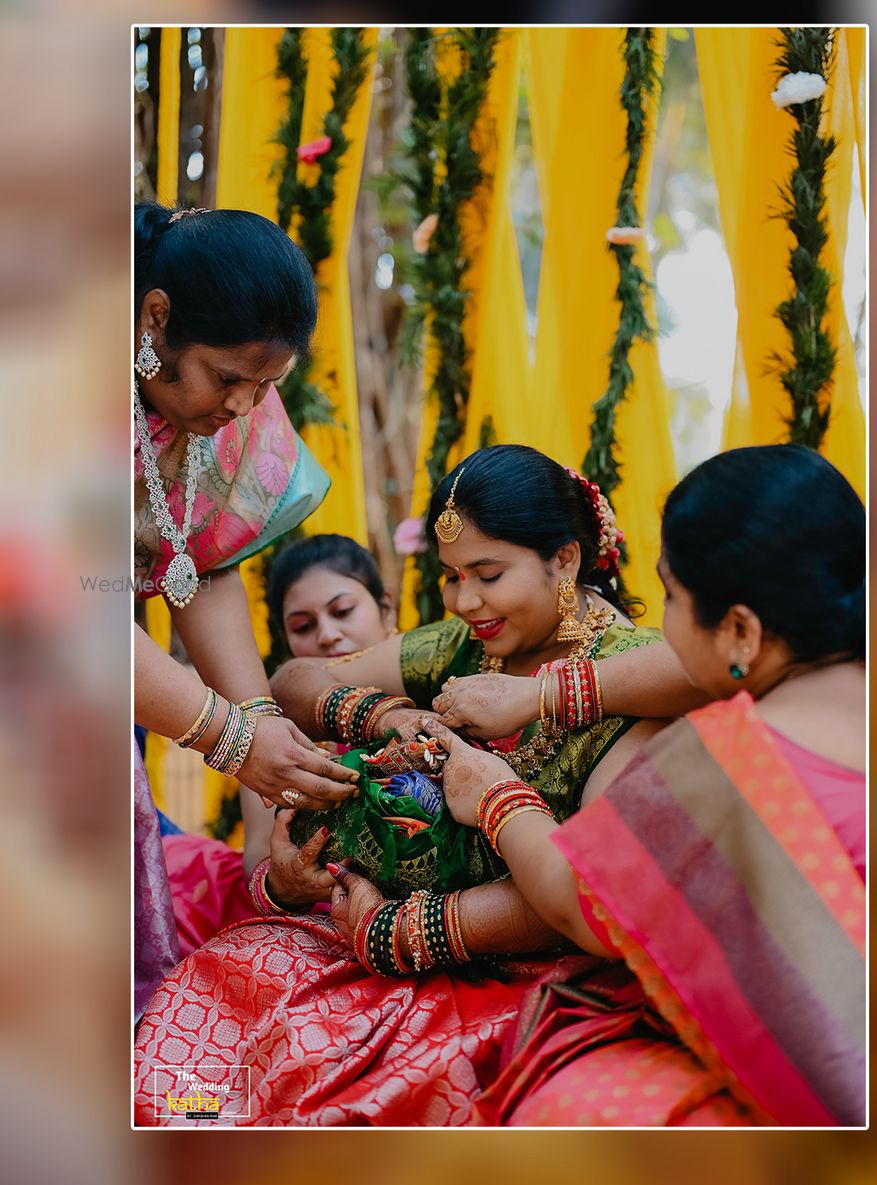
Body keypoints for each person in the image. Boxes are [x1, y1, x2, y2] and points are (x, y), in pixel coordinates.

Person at [134, 445, 700, 1126]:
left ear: (566, 560)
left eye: (487, 574)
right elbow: (294, 681)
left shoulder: (634, 676)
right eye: (450, 577)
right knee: (224, 997)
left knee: (319, 1082)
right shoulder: (468, 647)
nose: (465, 600)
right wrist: (384, 712)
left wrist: (407, 931)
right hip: (382, 939)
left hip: (523, 968)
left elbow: (586, 890)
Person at [422, 444, 866, 1126]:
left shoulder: (728, 758)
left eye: (674, 596)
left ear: (741, 629)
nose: (661, 626)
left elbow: (579, 902)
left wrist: (493, 795)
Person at [132, 202, 359, 1020]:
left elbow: (208, 558)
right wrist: (232, 740)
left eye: (265, 387)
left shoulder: (233, 406)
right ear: (155, 316)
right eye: (228, 378)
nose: (242, 408)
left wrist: (262, 731)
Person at [162, 534, 398, 957]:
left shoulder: (437, 689)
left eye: (343, 611)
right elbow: (256, 855)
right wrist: (286, 885)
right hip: (311, 928)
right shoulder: (277, 731)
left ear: (387, 609)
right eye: (303, 626)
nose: (327, 635)